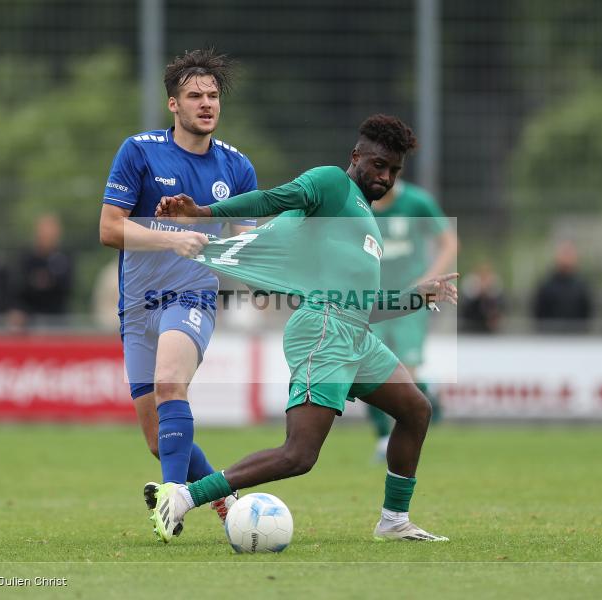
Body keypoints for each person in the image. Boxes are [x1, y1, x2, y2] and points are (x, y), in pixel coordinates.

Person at [149, 114, 459, 543]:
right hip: (324, 332)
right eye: (379, 165)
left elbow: (363, 308)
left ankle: (394, 521)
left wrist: (414, 297)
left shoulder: (364, 219)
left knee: (416, 410)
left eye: (394, 170)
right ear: (356, 156)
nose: (386, 177)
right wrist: (203, 213)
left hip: (355, 334)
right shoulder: (332, 184)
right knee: (298, 455)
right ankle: (185, 496)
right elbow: (273, 198)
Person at [97, 48, 257, 523]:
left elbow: (244, 246)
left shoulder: (237, 167)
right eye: (194, 96)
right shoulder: (139, 151)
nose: (206, 104)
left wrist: (208, 232)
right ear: (173, 104)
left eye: (213, 96)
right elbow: (109, 229)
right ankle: (224, 498)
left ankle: (172, 501)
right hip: (136, 306)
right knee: (157, 438)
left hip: (192, 296)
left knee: (170, 383)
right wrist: (172, 236)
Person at [368, 180, 458, 458]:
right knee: (367, 367)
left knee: (405, 371)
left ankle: (403, 434)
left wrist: (428, 281)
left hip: (410, 302)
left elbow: (450, 242)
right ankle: (383, 438)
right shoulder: (359, 204)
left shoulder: (417, 202)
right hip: (371, 301)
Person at [8, 213, 73, 327]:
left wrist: (49, 282)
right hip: (29, 320)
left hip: (57, 320)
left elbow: (67, 287)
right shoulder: (26, 258)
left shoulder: (64, 258)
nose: (48, 235)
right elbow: (17, 288)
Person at [531, 240, 592, 333]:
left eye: (569, 254)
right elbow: (539, 315)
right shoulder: (546, 286)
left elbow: (586, 315)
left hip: (576, 337)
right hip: (550, 337)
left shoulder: (582, 286)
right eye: (564, 253)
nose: (566, 258)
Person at [460, 261, 505, 333]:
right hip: (471, 326)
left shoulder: (496, 290)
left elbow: (500, 307)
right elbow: (466, 307)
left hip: (490, 330)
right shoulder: (470, 286)